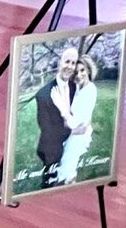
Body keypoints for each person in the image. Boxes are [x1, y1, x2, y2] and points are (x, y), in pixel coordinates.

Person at [32, 46, 79, 188]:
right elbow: (45, 128)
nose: (69, 66)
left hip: (70, 140)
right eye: (67, 62)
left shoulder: (73, 87)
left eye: (73, 63)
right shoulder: (43, 95)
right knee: (50, 184)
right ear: (59, 63)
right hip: (51, 147)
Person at [55, 56, 98, 185]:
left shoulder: (90, 90)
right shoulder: (79, 87)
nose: (79, 75)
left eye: (82, 70)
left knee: (67, 166)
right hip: (74, 129)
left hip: (79, 133)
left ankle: (69, 185)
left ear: (88, 70)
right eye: (77, 72)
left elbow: (82, 122)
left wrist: (66, 126)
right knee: (64, 163)